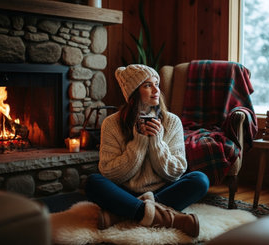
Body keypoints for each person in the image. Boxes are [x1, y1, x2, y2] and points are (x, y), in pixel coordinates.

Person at [85, 64, 209, 237]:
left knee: (200, 180)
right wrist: (139, 142)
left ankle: (121, 213)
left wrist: (157, 142)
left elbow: (176, 171)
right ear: (133, 93)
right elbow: (110, 173)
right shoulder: (111, 124)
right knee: (93, 182)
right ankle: (172, 219)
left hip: (162, 189)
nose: (156, 90)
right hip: (126, 190)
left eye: (156, 84)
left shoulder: (172, 122)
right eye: (148, 85)